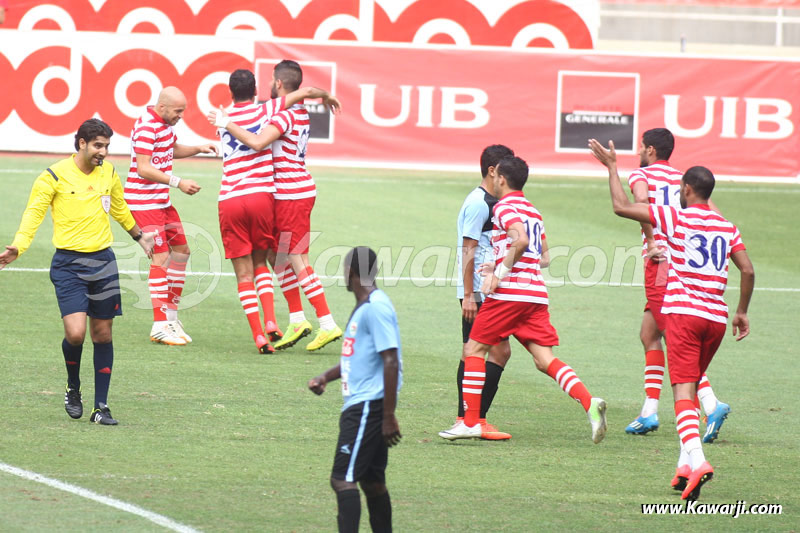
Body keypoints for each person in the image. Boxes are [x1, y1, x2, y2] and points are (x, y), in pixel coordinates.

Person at [590, 138, 754, 501]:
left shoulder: (675, 215)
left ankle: (698, 460)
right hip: (716, 319)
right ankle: (683, 465)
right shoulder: (727, 226)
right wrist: (741, 311)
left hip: (684, 314)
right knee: (690, 384)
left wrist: (612, 167)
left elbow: (621, 206)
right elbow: (748, 269)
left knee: (681, 390)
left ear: (687, 189)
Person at [0, 118, 155, 425]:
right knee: (75, 333)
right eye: (98, 145)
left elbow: (119, 207)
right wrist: (19, 246)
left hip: (103, 263)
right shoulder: (53, 176)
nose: (104, 152)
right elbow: (34, 213)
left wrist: (139, 236)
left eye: (108, 146)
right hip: (68, 265)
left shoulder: (108, 173)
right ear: (82, 143)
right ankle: (73, 387)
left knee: (103, 334)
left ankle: (101, 407)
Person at [459, 155, 608, 443]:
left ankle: (469, 423)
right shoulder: (533, 210)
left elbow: (522, 241)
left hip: (509, 295)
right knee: (544, 360)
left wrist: (498, 274)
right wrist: (499, 263)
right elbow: (544, 257)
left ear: (500, 179)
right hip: (534, 295)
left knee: (474, 349)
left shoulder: (505, 207)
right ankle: (589, 403)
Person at [214, 60, 343, 352]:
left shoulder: (284, 116)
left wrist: (227, 123)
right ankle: (297, 319)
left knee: (297, 258)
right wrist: (326, 95)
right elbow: (308, 92)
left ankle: (326, 323)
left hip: (290, 195)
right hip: (287, 193)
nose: (270, 85)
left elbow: (259, 142)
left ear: (280, 84)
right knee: (275, 255)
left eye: (273, 81)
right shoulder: (296, 112)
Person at [624, 128, 730, 443]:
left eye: (642, 146)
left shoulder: (641, 175)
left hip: (661, 265)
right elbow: (715, 215)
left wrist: (653, 239)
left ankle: (711, 403)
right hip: (684, 263)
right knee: (649, 333)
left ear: (651, 150)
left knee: (676, 334)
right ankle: (649, 410)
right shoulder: (683, 179)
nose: (639, 151)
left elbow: (640, 201)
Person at [308, 247, 402, 533]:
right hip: (367, 405)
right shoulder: (366, 306)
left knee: (342, 479)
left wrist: (388, 416)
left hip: (367, 407)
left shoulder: (375, 308)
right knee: (372, 483)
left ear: (351, 272)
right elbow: (357, 357)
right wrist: (326, 376)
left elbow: (390, 360)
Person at [125, 86, 219, 346]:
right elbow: (143, 168)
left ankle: (170, 319)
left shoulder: (164, 125)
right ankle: (159, 324)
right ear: (163, 107)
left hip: (161, 202)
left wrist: (198, 148)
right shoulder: (146, 127)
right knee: (161, 257)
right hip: (143, 202)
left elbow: (171, 149)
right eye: (178, 111)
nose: (181, 116)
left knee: (182, 251)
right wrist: (178, 182)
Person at [439, 145, 513, 441]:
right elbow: (467, 249)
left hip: (484, 289)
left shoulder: (493, 200)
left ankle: (469, 418)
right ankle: (472, 419)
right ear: (493, 171)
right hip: (477, 292)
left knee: (479, 350)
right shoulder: (479, 203)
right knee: (490, 351)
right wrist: (468, 295)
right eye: (504, 170)